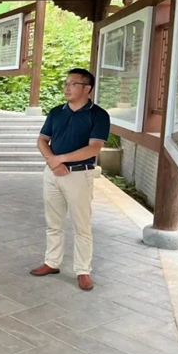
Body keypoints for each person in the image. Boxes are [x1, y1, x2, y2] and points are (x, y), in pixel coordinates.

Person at [30, 68, 110, 291]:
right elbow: (42, 140)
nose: (66, 88)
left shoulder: (98, 115)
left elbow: (94, 148)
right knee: (53, 221)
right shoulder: (56, 112)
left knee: (81, 225)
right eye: (65, 83)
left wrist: (61, 159)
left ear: (87, 88)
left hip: (79, 175)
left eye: (72, 84)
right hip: (52, 174)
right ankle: (52, 262)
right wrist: (52, 162)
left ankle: (83, 270)